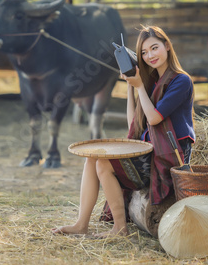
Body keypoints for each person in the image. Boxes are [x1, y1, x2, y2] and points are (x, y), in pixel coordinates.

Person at [52, 26, 195, 238]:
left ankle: (120, 228)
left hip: (169, 158)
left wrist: (139, 88)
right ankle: (81, 224)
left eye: (154, 48)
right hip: (151, 152)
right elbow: (135, 124)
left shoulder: (181, 81)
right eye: (144, 53)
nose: (150, 56)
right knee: (92, 159)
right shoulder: (153, 82)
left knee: (103, 163)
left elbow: (154, 119)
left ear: (167, 46)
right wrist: (130, 85)